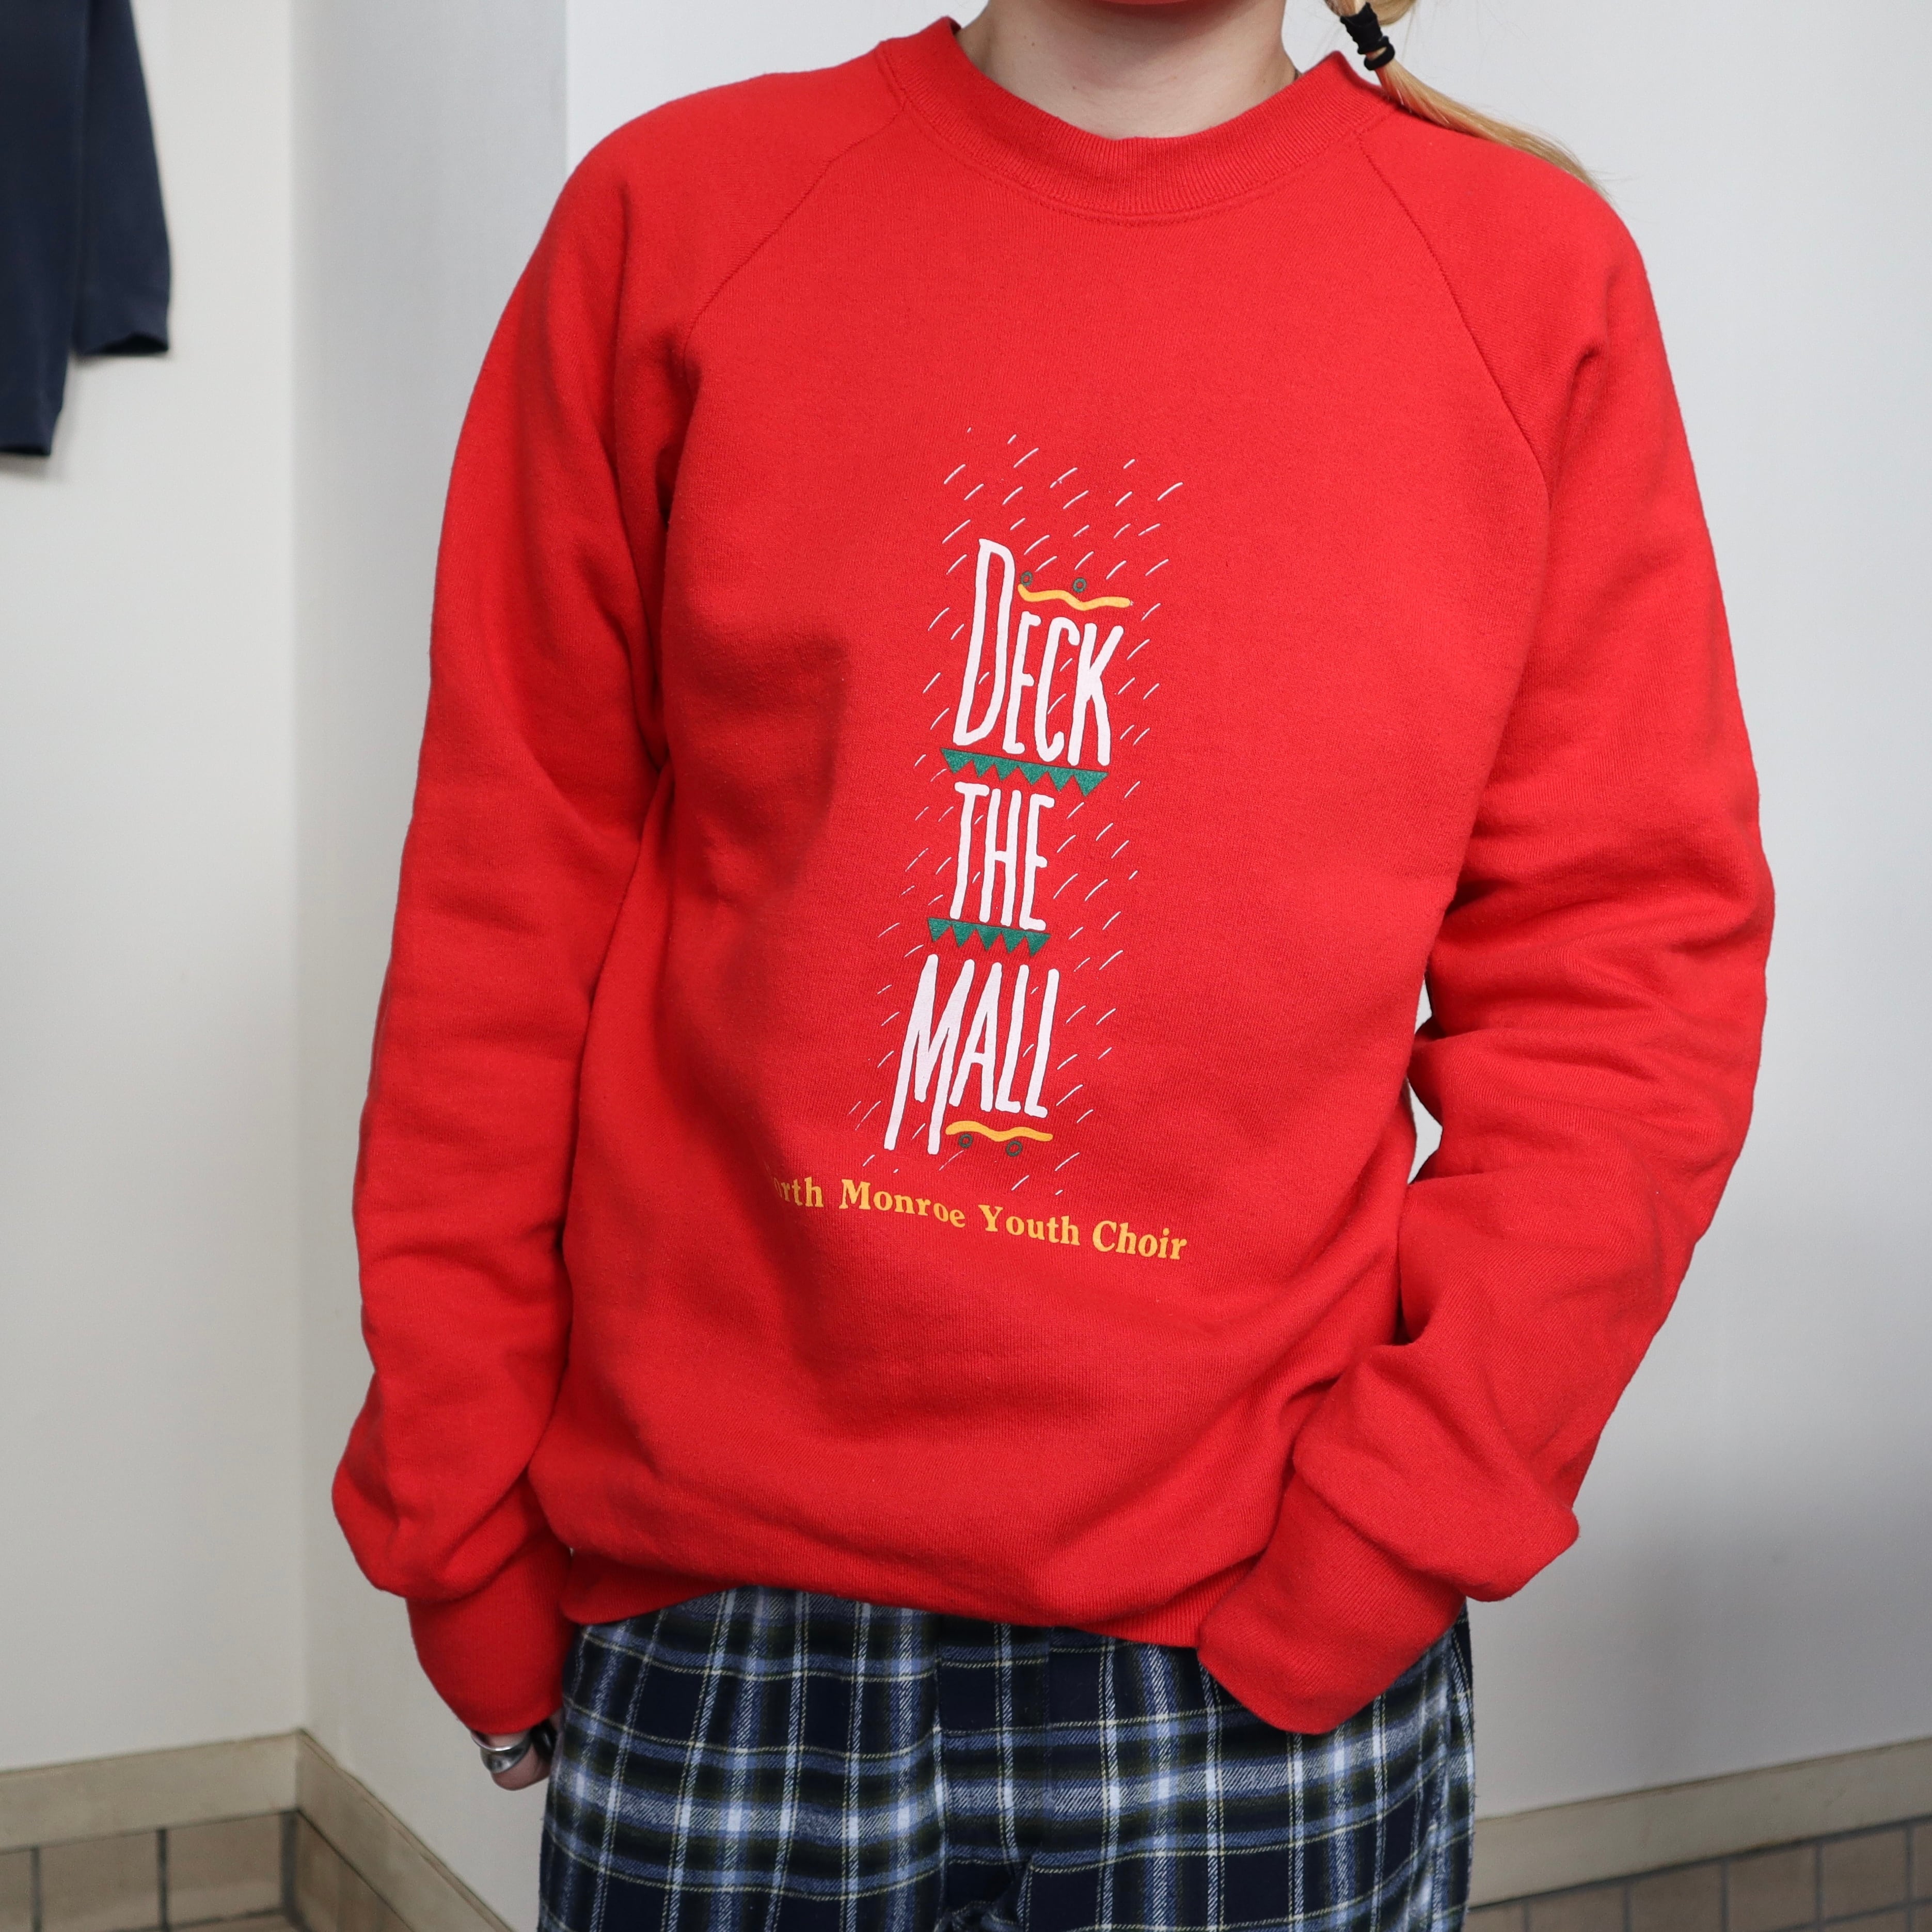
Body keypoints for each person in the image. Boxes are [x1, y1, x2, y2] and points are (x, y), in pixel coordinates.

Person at [335, 0, 1773, 1926]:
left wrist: (1395, 1530)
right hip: (720, 1625)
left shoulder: (1524, 281)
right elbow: (503, 914)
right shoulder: (679, 219)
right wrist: (457, 1521)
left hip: (1250, 1650)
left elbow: (1628, 977)